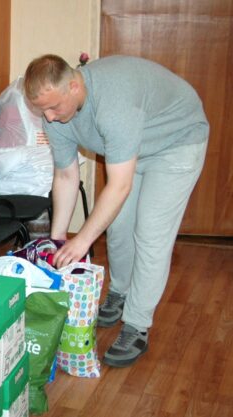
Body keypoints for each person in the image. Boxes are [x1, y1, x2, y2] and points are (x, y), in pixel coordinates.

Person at [23, 54, 209, 367]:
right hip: (135, 148)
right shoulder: (54, 116)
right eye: (43, 111)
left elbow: (119, 186)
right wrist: (57, 239)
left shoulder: (112, 105)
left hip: (176, 142)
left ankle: (137, 325)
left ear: (73, 86)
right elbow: (66, 176)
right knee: (119, 227)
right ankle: (120, 293)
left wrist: (82, 241)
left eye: (53, 107)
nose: (50, 118)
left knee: (150, 234)